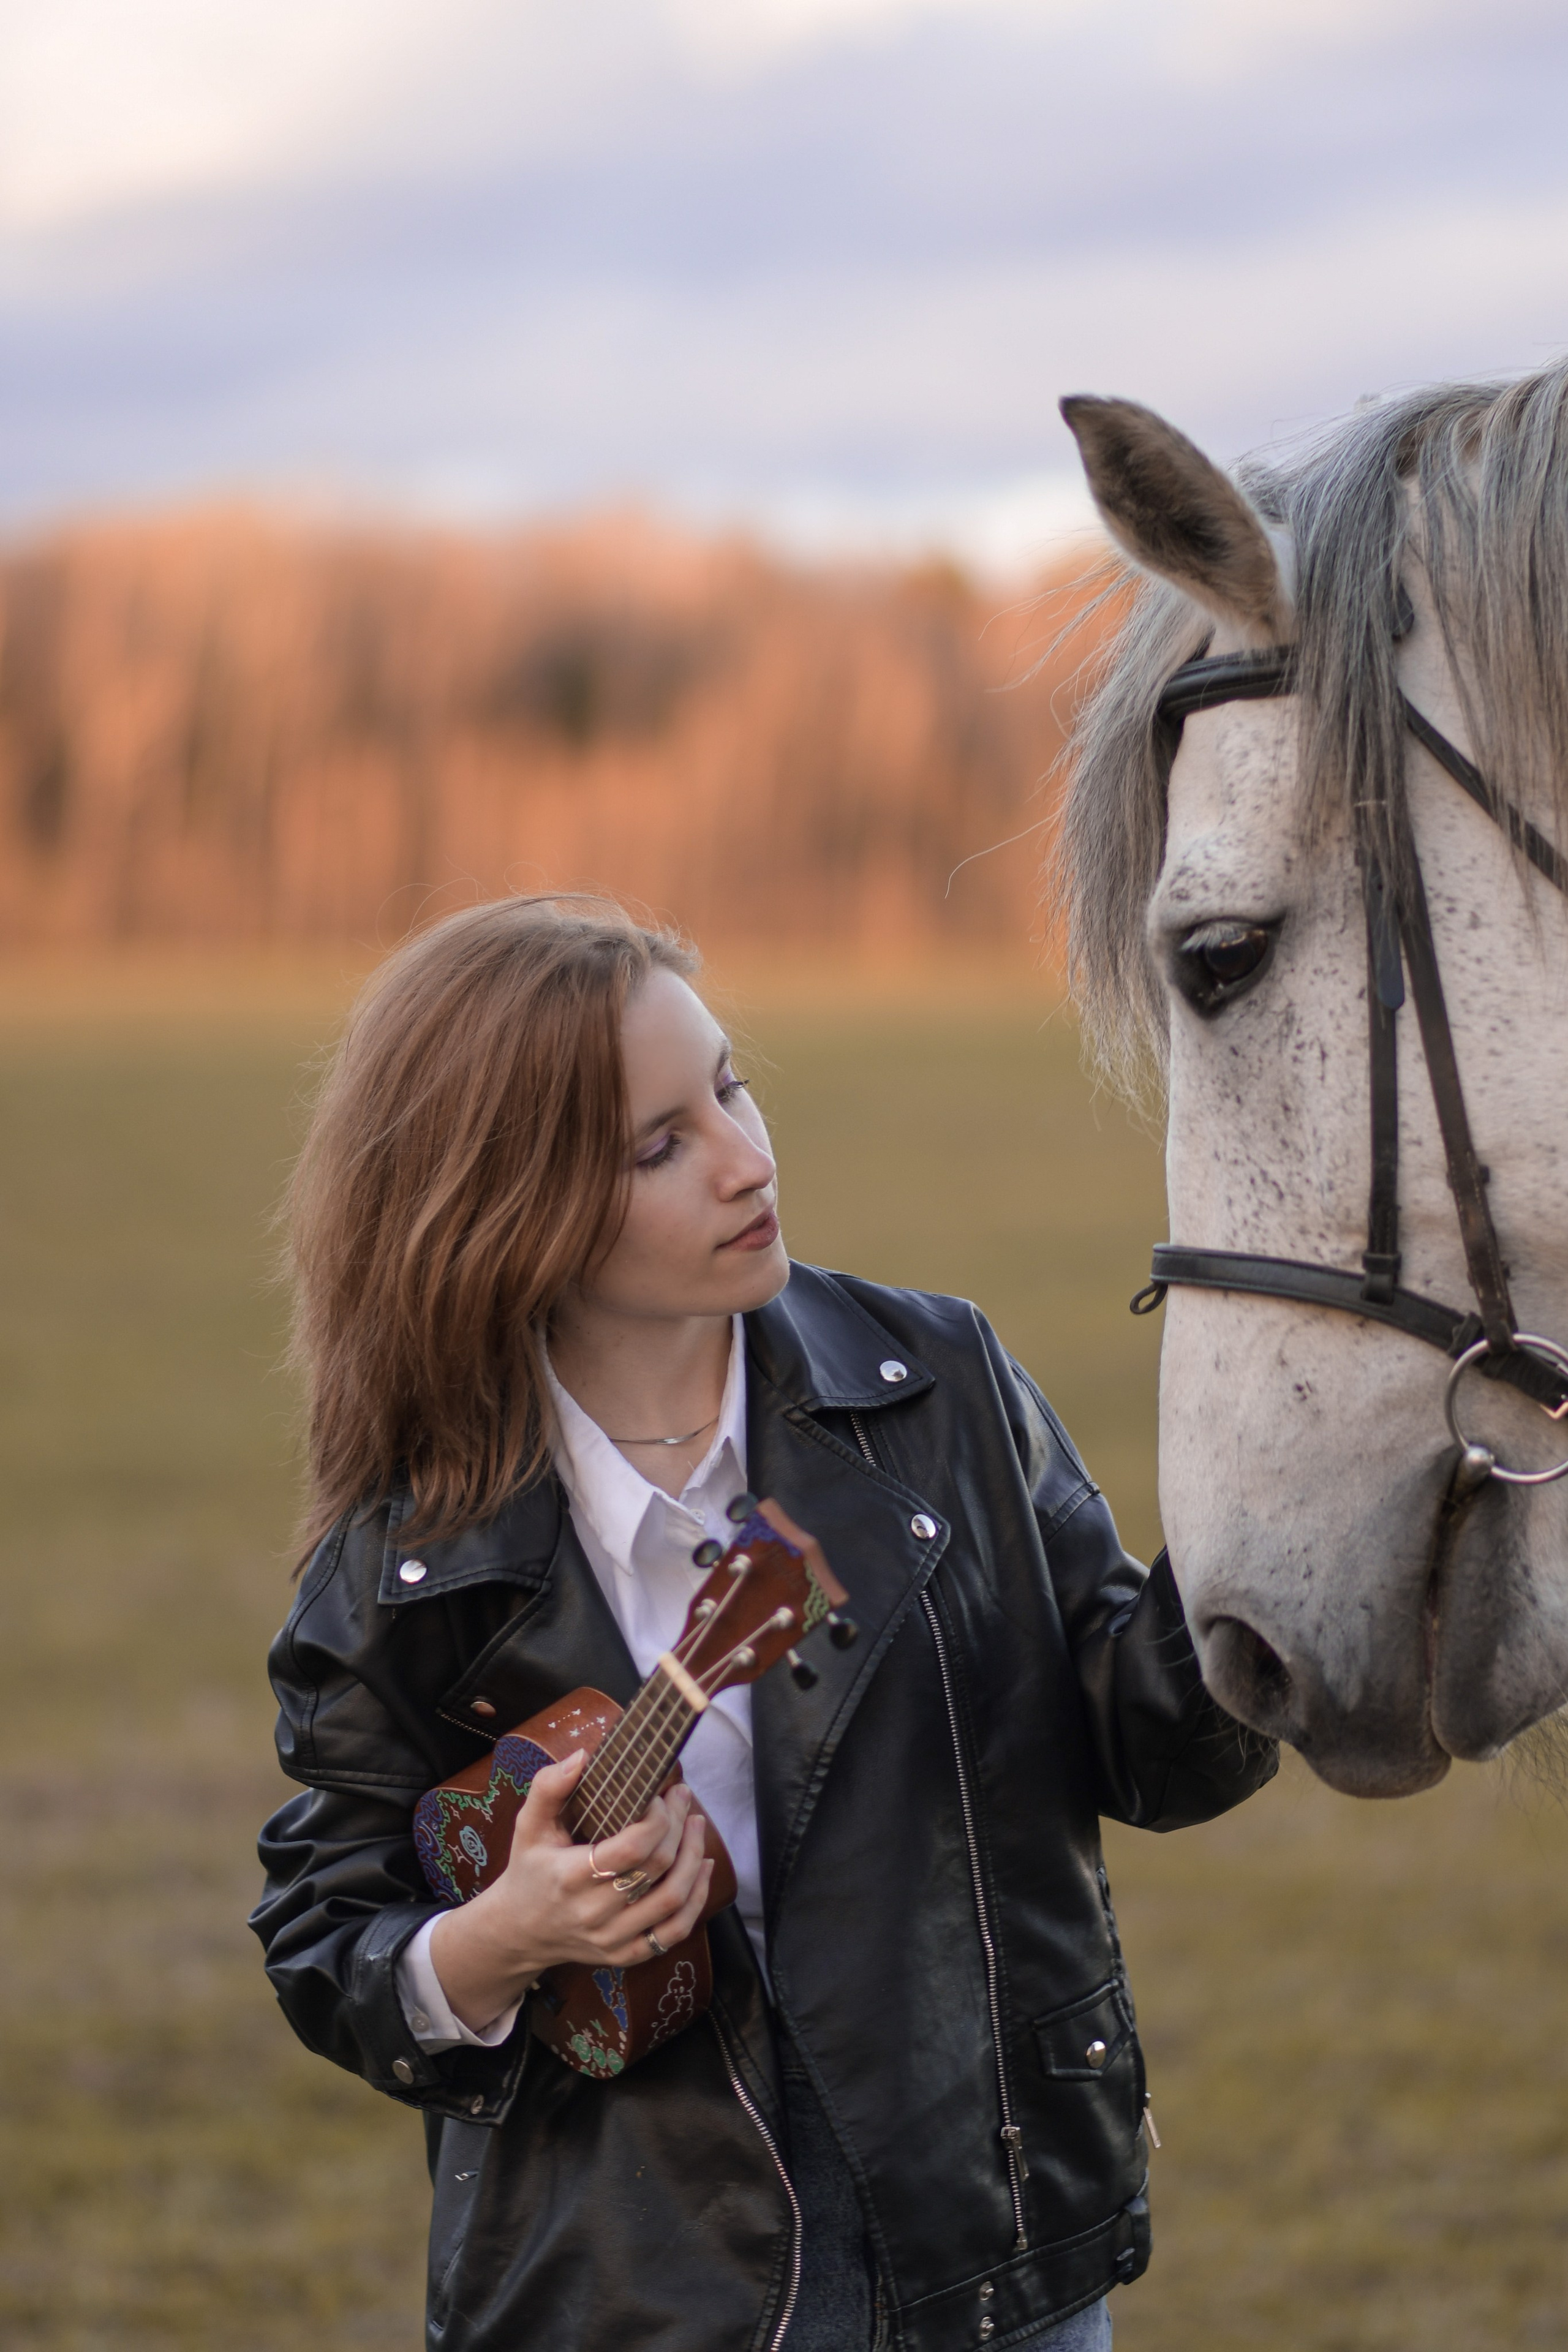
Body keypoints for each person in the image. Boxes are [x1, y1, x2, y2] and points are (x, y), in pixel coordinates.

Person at [251, 894, 1275, 2352]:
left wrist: (1260, 1552)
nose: (746, 1160)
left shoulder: (936, 1386)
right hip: (621, 2292)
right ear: (509, 1214)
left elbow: (1147, 1746)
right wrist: (501, 1937)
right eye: (658, 1146)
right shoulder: (410, 1558)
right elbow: (327, 1939)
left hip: (981, 2252)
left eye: (730, 1088)